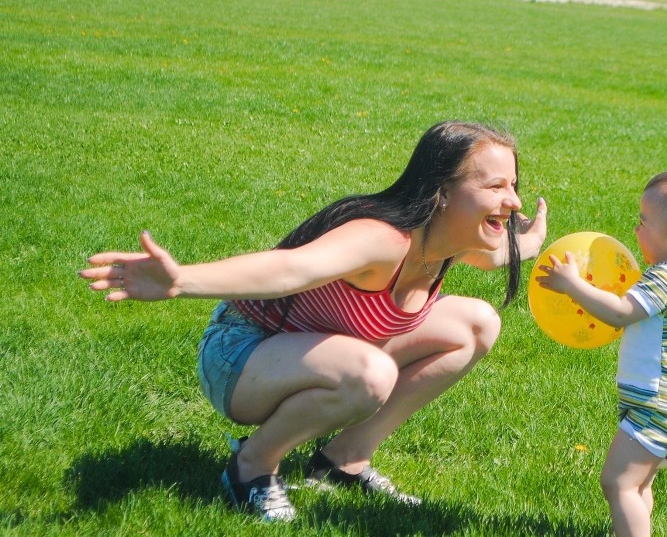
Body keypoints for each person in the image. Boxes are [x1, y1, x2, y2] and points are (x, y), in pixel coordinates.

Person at [79, 121, 548, 522]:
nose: (514, 201)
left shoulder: (451, 241)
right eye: (495, 187)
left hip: (311, 353)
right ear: (442, 192)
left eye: (512, 185)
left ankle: (343, 460)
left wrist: (527, 246)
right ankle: (252, 465)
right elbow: (289, 269)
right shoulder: (382, 240)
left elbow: (496, 256)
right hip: (241, 355)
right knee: (370, 375)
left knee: (477, 323)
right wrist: (181, 280)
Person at [535, 166, 667, 537]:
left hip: (657, 408)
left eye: (643, 223)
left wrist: (572, 285)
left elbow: (619, 312)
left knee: (618, 483)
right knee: (638, 485)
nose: (636, 231)